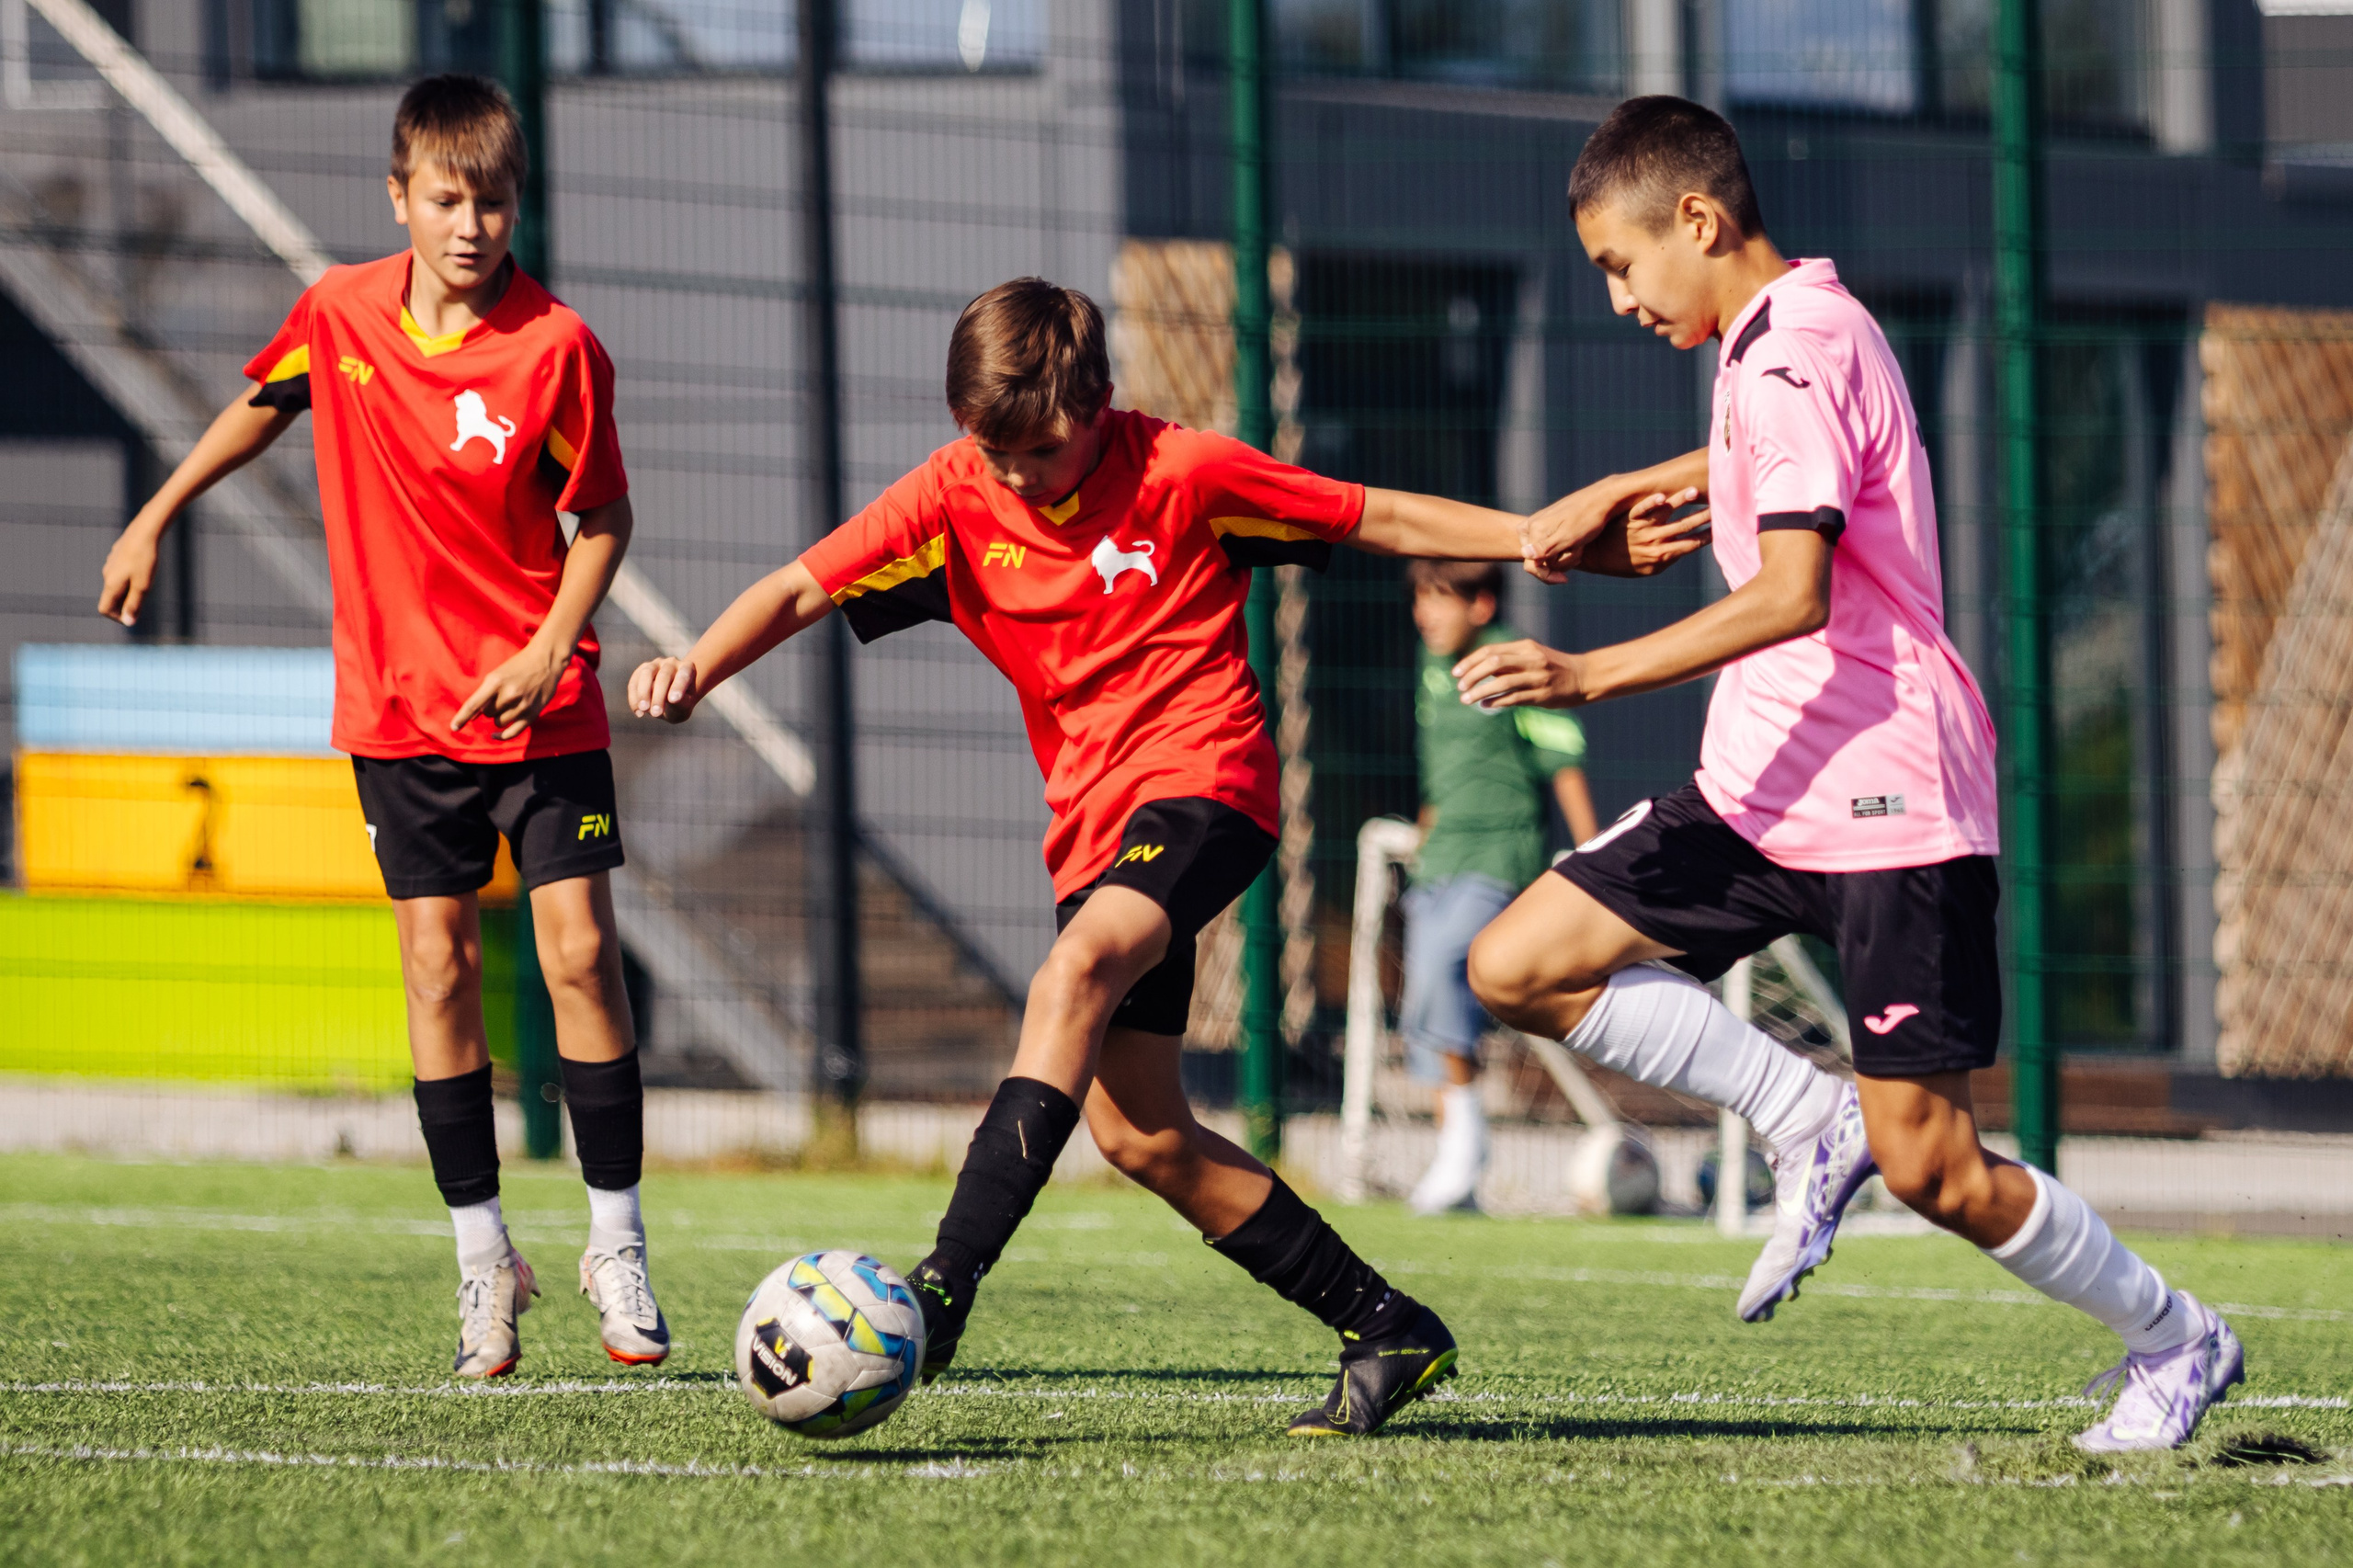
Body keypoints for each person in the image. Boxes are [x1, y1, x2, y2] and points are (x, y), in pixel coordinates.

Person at [1457, 96, 2242, 1452]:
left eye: (1620, 263)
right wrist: (1623, 488)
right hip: (1763, 789)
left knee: (1935, 1166)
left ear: (1697, 219)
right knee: (1518, 962)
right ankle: (1800, 1113)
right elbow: (1772, 464)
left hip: (1888, 798)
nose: (1618, 295)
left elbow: (1796, 591)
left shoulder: (1791, 349)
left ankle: (2177, 1337)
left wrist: (1589, 672)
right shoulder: (1790, 329)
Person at [630, 278, 1530, 1436]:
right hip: (1095, 827)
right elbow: (807, 582)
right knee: (1139, 1131)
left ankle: (942, 1289)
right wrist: (696, 666)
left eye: (1041, 450)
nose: (1017, 475)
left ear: (1098, 402)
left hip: (1208, 784)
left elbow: (1375, 515)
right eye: (992, 449)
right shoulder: (958, 491)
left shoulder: (1183, 470)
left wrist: (1531, 537)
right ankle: (1388, 1325)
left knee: (1072, 972)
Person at [96, 74, 667, 1381]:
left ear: (521, 203)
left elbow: (607, 522)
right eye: (450, 198)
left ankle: (616, 1241)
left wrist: (542, 648)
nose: (474, 224)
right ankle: (483, 1260)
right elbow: (266, 397)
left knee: (580, 952)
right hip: (401, 717)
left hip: (545, 704)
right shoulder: (340, 313)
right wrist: (155, 512)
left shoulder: (557, 347)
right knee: (439, 969)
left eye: (497, 200)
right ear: (398, 197)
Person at [1399, 560, 1597, 1215]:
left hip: (1497, 858)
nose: (1425, 613)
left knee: (1439, 968)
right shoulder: (1433, 671)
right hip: (1440, 861)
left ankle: (1465, 1148)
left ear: (1482, 605)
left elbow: (1562, 760)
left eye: (1439, 599)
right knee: (1424, 1002)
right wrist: (1425, 831)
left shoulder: (1510, 661)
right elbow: (1446, 770)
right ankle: (1456, 1156)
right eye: (1420, 599)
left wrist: (1594, 856)